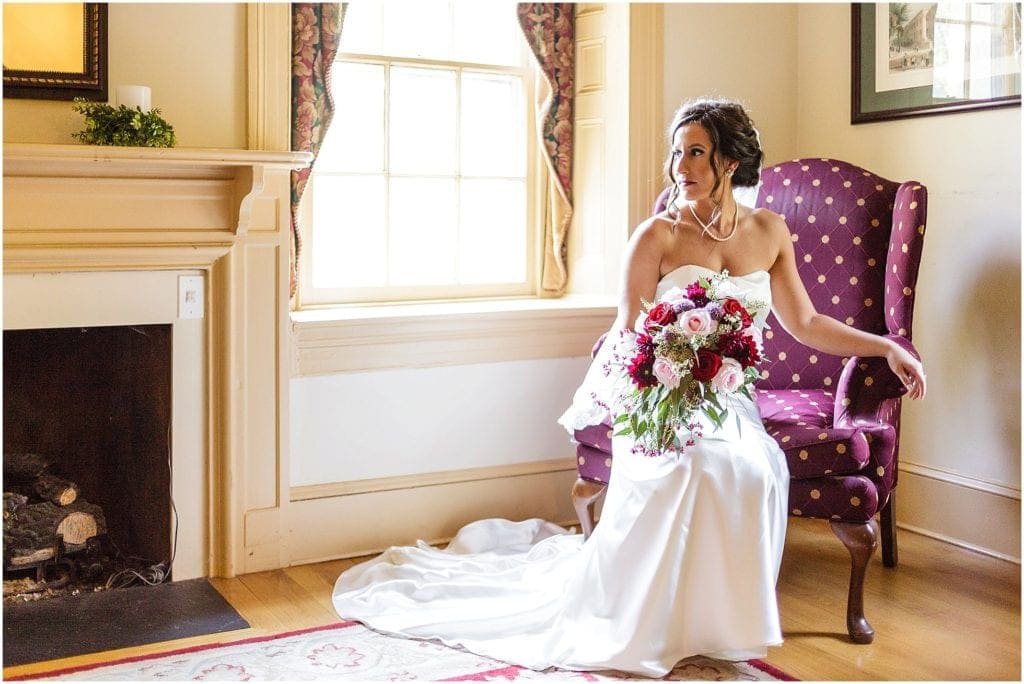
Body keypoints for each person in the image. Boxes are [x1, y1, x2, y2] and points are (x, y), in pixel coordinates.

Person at [332, 97, 927, 677]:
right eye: (676, 154)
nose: (680, 167)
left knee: (749, 468)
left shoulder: (769, 231)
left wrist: (887, 346)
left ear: (728, 162)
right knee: (692, 465)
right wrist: (669, 374)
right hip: (658, 397)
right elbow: (628, 333)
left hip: (730, 400)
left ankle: (715, 630)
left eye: (696, 153)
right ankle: (648, 623)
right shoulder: (657, 236)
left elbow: (807, 323)